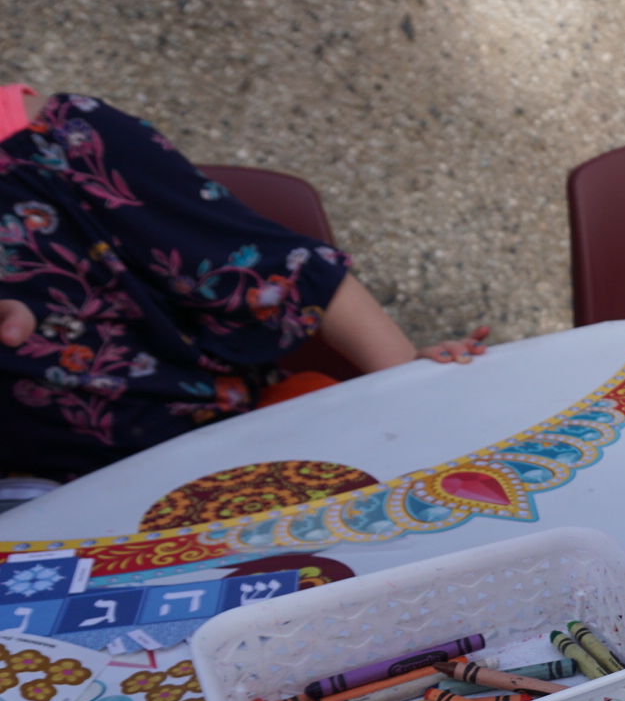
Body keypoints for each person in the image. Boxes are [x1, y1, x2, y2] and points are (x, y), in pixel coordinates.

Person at [0, 86, 486, 484]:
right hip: (35, 506)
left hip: (221, 451)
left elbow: (285, 273)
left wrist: (408, 389)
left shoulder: (61, 141)